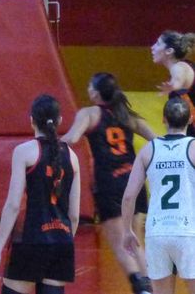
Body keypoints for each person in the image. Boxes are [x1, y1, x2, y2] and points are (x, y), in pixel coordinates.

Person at [61, 72, 154, 294]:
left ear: (95, 92)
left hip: (110, 183)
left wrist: (45, 140)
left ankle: (141, 288)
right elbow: (155, 138)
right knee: (136, 240)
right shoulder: (126, 114)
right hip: (134, 179)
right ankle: (152, 287)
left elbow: (72, 139)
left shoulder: (89, 113)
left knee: (121, 242)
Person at [0, 94, 81, 294]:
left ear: (31, 120)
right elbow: (74, 215)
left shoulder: (24, 152)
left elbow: (13, 205)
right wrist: (63, 241)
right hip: (62, 241)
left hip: (31, 240)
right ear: (60, 121)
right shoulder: (72, 157)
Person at [122, 97, 195, 294]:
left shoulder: (148, 150)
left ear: (163, 119)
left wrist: (127, 230)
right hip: (188, 231)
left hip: (157, 233)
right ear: (191, 119)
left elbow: (129, 196)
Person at [152, 30, 195, 137]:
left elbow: (179, 78)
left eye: (158, 44)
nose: (152, 47)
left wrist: (174, 86)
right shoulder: (182, 65)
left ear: (169, 51)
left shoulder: (179, 67)